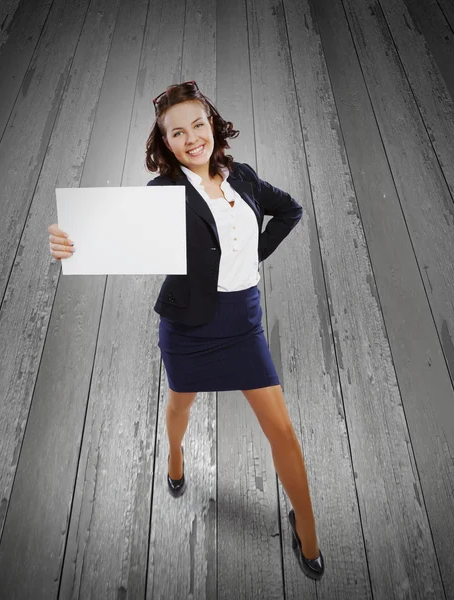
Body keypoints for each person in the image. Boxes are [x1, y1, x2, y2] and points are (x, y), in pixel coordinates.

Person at [48, 80, 324, 580]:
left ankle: (307, 531)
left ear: (213, 125)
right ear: (166, 143)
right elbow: (106, 235)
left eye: (198, 124)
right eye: (177, 133)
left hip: (242, 322)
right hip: (189, 326)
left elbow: (290, 211)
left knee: (281, 429)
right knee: (181, 403)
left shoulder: (243, 176)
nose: (191, 138)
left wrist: (251, 256)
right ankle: (175, 457)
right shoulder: (163, 194)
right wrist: (70, 242)